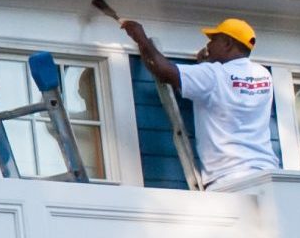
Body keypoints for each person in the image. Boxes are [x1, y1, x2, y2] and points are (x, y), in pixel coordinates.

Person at [119, 15, 279, 182]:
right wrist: (205, 66)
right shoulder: (263, 75)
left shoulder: (214, 75)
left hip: (229, 178)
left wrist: (141, 37)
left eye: (213, 40)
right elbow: (230, 90)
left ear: (227, 44)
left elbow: (162, 70)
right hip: (266, 174)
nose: (208, 45)